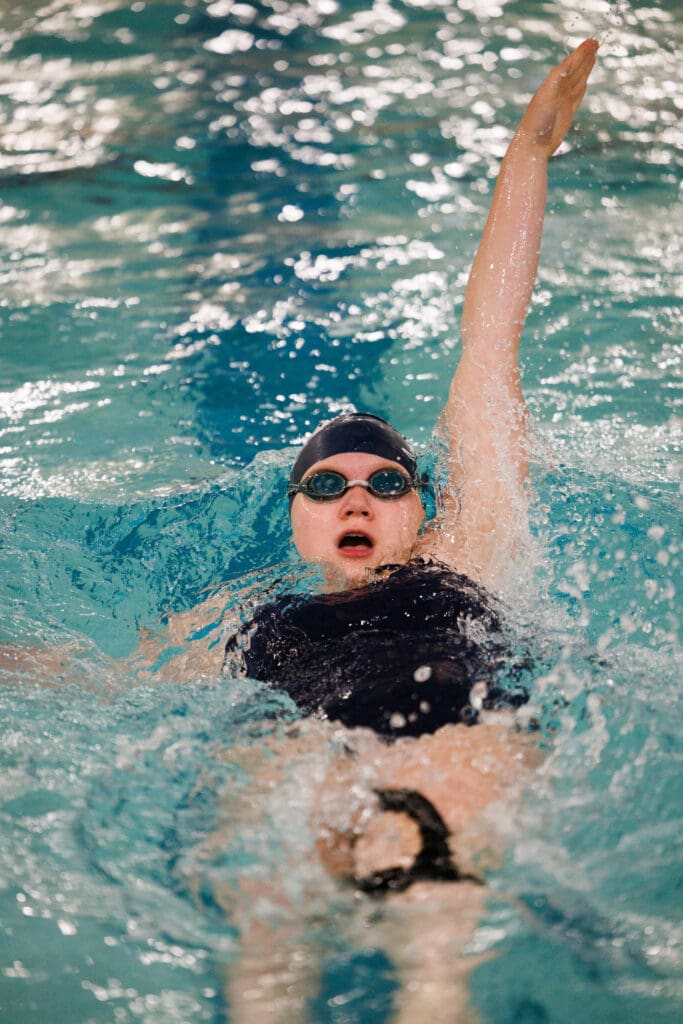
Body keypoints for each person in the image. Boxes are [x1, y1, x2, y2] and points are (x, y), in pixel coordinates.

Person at [177, 38, 600, 1024]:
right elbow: (96, 687)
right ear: (295, 521)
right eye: (325, 483)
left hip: (449, 763)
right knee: (264, 941)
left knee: (431, 946)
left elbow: (489, 343)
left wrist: (526, 155)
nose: (356, 497)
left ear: (424, 509)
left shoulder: (464, 558)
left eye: (385, 481)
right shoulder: (237, 619)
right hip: (303, 782)